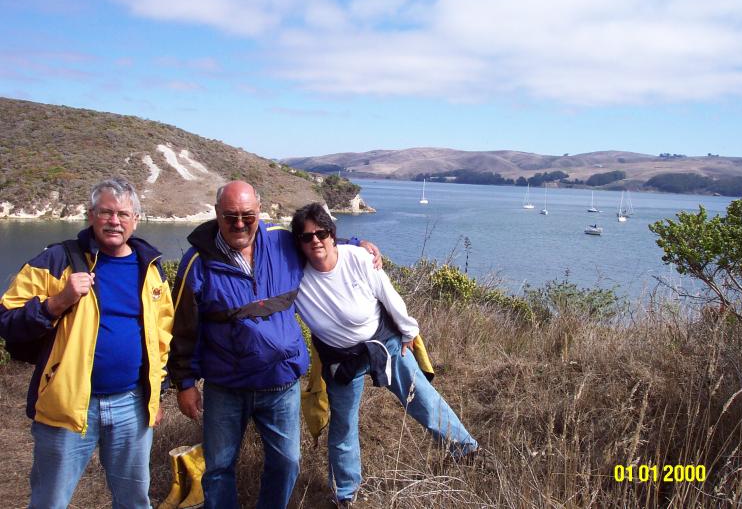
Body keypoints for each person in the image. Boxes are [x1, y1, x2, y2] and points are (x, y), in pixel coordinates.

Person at [168, 181, 380, 509]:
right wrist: (184, 383)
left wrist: (357, 243)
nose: (240, 223)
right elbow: (183, 328)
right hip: (226, 386)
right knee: (219, 468)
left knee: (286, 464)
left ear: (259, 211)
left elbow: (319, 243)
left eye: (247, 215)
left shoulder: (283, 242)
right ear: (216, 214)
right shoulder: (198, 261)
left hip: (281, 384)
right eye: (230, 216)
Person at [0, 177, 174, 508]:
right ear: (90, 215)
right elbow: (6, 320)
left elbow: (162, 336)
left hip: (131, 406)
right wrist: (57, 302)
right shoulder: (55, 260)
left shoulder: (150, 269)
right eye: (106, 212)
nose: (114, 221)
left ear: (136, 219)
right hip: (66, 406)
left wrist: (157, 393)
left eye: (123, 214)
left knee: (134, 500)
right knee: (50, 500)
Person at [291, 203, 479, 507]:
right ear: (297, 242)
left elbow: (387, 295)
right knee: (343, 425)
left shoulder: (358, 259)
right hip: (340, 359)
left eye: (321, 233)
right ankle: (345, 494)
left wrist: (408, 331)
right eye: (305, 236)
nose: (314, 240)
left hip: (382, 342)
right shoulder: (295, 277)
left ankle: (466, 449)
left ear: (332, 234)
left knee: (421, 398)